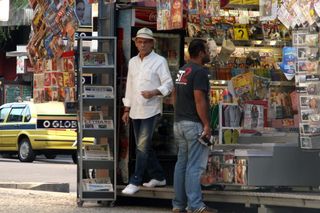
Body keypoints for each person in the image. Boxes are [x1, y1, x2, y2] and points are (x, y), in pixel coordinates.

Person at [121, 27, 174, 195]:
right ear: (136, 43)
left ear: (152, 44)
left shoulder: (160, 61)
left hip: (151, 109)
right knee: (142, 145)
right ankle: (159, 176)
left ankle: (135, 180)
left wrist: (154, 92)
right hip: (135, 109)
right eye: (140, 41)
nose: (142, 45)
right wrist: (126, 109)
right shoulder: (133, 62)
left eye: (146, 42)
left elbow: (169, 84)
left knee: (142, 146)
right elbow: (129, 86)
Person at [172, 39, 217, 213]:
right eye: (207, 50)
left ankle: (178, 204)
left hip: (179, 123)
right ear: (200, 52)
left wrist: (179, 114)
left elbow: (174, 95)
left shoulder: (183, 70)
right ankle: (196, 205)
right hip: (193, 124)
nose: (209, 53)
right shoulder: (199, 72)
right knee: (195, 166)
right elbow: (200, 99)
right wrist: (206, 124)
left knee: (181, 164)